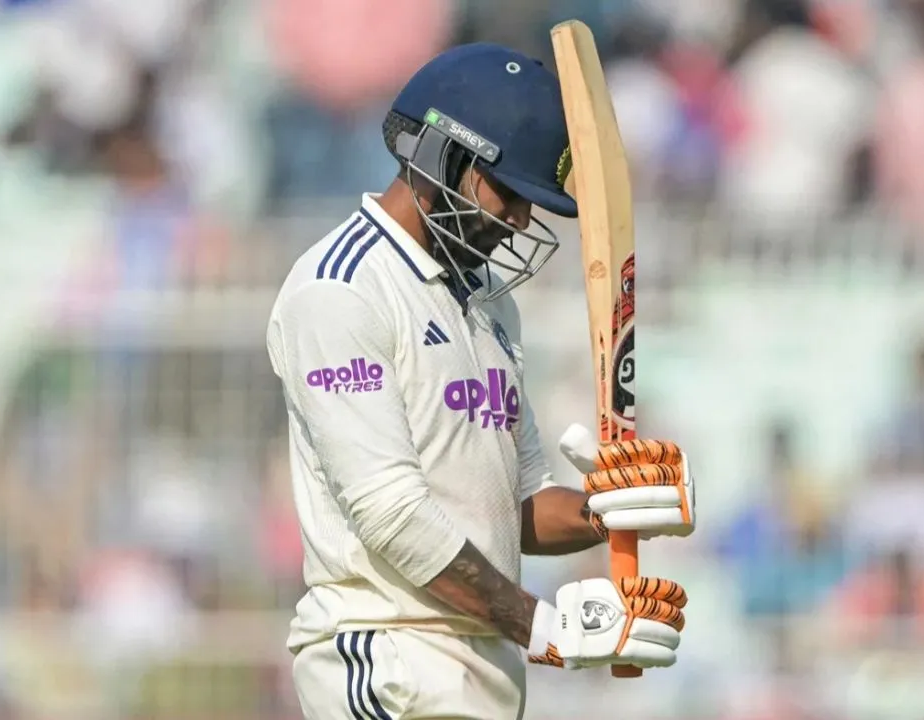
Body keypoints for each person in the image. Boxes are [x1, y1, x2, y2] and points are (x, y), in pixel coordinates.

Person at [265, 42, 697, 720]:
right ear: (444, 157)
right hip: (390, 660)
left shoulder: (489, 301)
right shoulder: (342, 288)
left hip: (485, 671)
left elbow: (514, 508)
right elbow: (393, 516)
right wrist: (547, 629)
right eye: (512, 194)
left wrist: (601, 509)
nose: (523, 221)